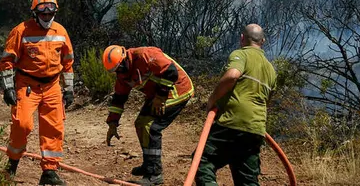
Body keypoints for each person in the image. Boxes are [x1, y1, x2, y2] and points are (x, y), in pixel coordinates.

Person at [0, 0, 75, 185]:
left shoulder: (61, 32)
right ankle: (12, 165)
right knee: (22, 124)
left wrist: (69, 89)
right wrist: (9, 87)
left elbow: (68, 62)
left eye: (50, 13)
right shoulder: (21, 31)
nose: (47, 16)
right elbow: (7, 61)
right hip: (28, 85)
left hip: (52, 86)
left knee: (54, 128)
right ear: (35, 13)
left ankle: (49, 171)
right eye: (43, 13)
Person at [195, 24, 277, 186]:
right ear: (263, 41)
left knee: (202, 162)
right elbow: (267, 101)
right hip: (256, 129)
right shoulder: (271, 70)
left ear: (242, 39)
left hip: (232, 123)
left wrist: (212, 100)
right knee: (247, 179)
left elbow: (232, 76)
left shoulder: (241, 54)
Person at [102, 45, 194, 185]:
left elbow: (170, 72)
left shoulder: (145, 55)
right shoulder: (122, 75)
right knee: (140, 124)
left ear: (125, 58)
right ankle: (148, 165)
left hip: (177, 89)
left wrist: (161, 97)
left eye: (120, 68)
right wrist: (112, 123)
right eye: (116, 71)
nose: (119, 72)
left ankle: (154, 174)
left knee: (150, 126)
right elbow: (119, 98)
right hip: (158, 94)